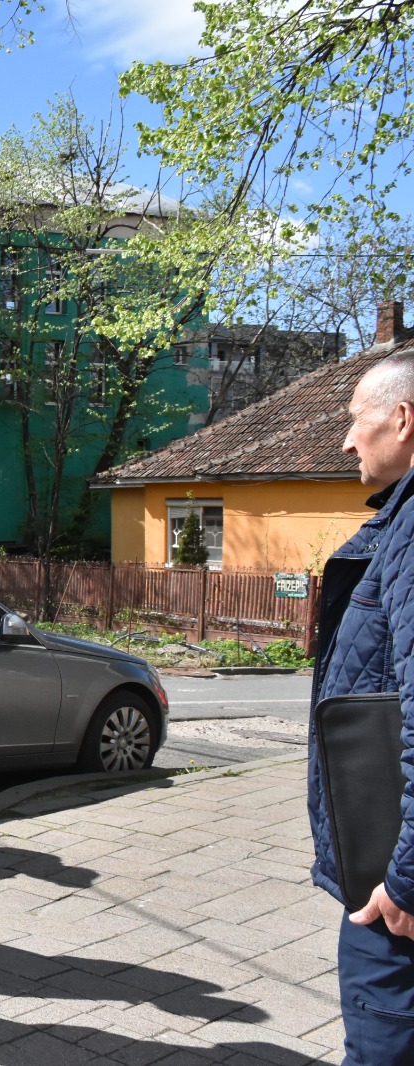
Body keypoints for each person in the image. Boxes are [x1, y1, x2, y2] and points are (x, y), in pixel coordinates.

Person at [310, 351, 414, 1063]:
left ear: (402, 420)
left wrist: (406, 878)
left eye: (356, 420)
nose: (348, 442)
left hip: (396, 887)